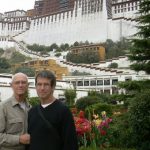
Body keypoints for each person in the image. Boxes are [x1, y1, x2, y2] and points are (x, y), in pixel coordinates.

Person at [27, 70, 78, 150]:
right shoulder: (32, 112)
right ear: (36, 87)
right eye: (39, 84)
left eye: (46, 84)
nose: (42, 88)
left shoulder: (63, 111)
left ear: (53, 87)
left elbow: (70, 143)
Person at [0, 72, 31, 150]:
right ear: (11, 85)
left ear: (28, 86)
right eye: (17, 82)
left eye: (23, 82)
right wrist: (19, 139)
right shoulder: (3, 107)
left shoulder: (30, 108)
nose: (20, 85)